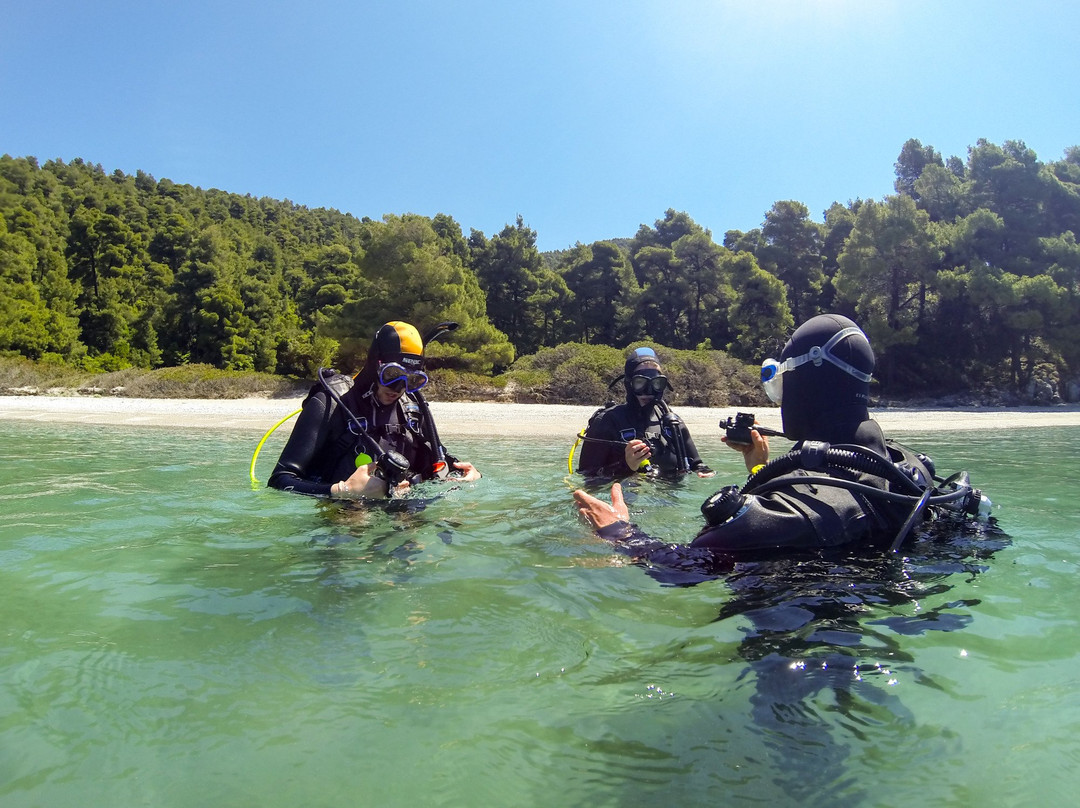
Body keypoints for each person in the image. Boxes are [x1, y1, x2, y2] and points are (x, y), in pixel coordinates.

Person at [573, 314, 988, 557]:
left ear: (805, 385)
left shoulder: (784, 514)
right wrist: (760, 469)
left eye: (779, 383)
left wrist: (621, 532)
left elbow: (683, 567)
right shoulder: (902, 465)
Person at [268, 320, 481, 500]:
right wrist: (341, 491)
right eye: (391, 375)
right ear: (374, 364)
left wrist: (466, 474)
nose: (399, 389)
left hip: (403, 517)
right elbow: (280, 479)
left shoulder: (412, 410)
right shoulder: (329, 404)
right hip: (340, 518)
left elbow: (439, 460)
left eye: (412, 380)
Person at [575, 346, 714, 479]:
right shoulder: (607, 421)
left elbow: (698, 465)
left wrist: (703, 473)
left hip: (668, 498)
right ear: (629, 383)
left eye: (656, 383)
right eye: (640, 382)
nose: (648, 391)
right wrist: (627, 466)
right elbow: (587, 477)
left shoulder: (671, 422)